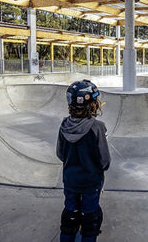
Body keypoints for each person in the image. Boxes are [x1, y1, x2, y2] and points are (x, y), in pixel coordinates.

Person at [57, 80, 110, 242]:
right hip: (90, 183)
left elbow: (60, 154)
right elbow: (104, 161)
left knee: (70, 214)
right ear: (92, 104)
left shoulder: (64, 125)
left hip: (71, 180)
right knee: (89, 218)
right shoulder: (97, 127)